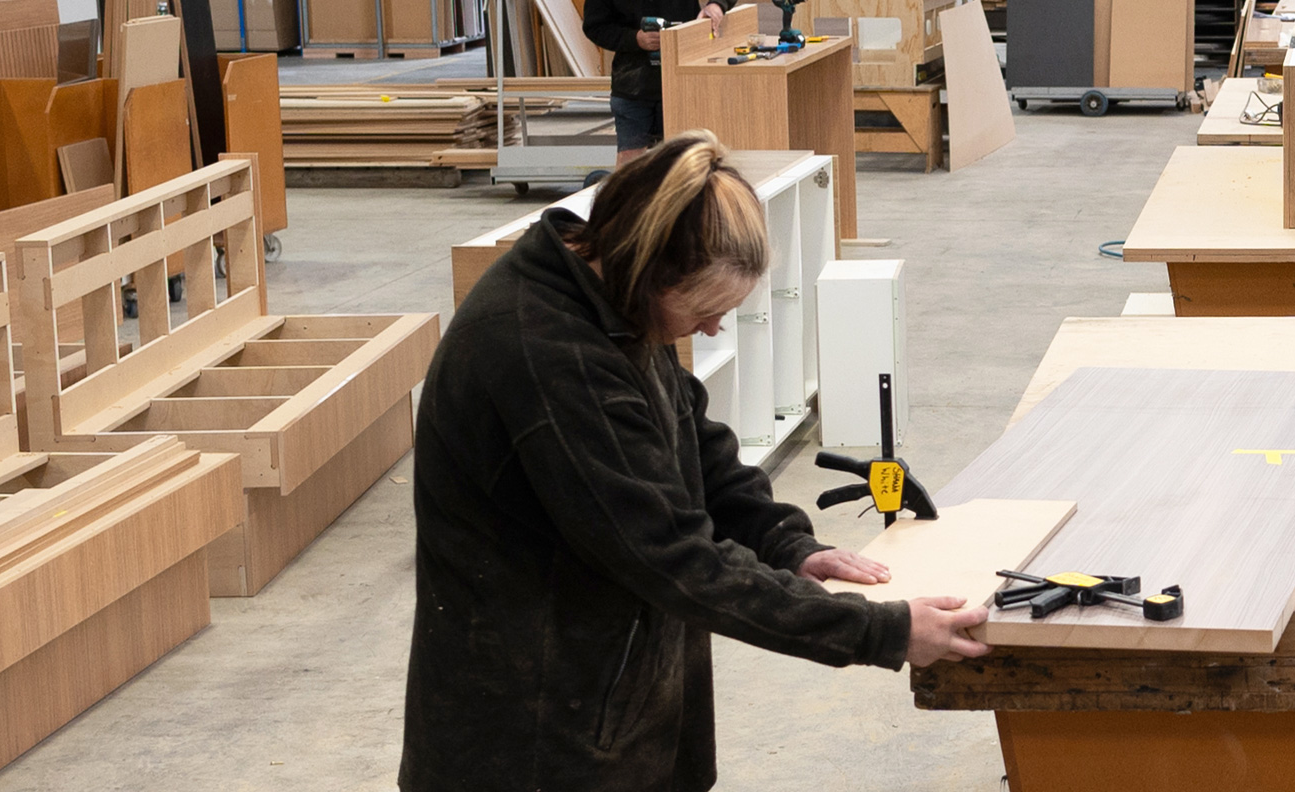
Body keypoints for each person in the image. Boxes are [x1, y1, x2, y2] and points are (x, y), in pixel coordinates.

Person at [399, 131, 989, 792]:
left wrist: (786, 543)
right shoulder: (543, 354)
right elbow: (671, 557)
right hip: (530, 738)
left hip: (606, 695)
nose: (711, 330)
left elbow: (697, 449)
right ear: (645, 266)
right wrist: (884, 632)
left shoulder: (612, 298)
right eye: (704, 311)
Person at [582, 0, 741, 164]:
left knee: (686, 158)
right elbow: (595, 26)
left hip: (683, 76)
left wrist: (717, 4)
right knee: (631, 161)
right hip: (634, 83)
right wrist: (635, 40)